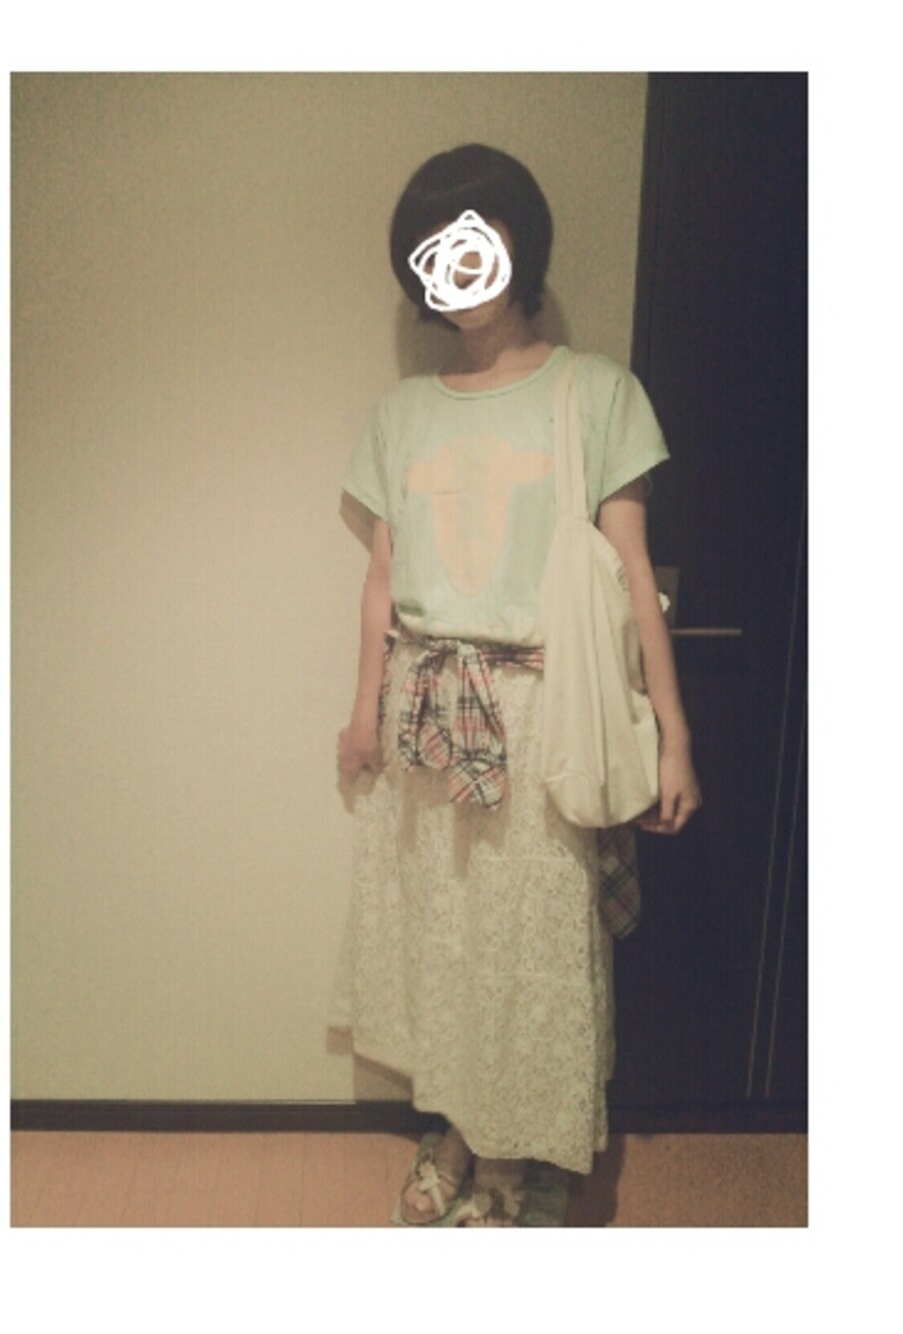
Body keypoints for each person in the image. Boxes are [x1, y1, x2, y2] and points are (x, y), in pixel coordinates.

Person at [330, 144, 702, 1226]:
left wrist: (673, 738)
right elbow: (382, 579)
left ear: (518, 244)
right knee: (445, 947)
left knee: (531, 952)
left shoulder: (598, 393)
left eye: (477, 239)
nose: (458, 269)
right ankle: (459, 1127)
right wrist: (362, 711)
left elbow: (632, 574)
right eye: (433, 252)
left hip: (543, 712)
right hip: (424, 710)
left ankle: (515, 1153)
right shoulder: (401, 412)